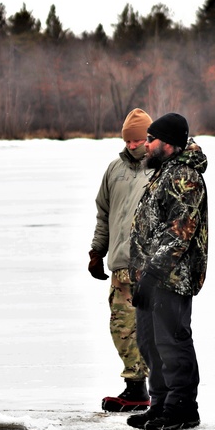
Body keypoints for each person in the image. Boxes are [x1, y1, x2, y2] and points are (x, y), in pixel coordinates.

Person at [126, 112, 208, 430]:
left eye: (151, 139)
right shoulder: (163, 173)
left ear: (169, 144)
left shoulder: (184, 177)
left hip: (172, 278)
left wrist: (153, 273)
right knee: (150, 343)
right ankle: (160, 401)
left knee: (172, 342)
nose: (145, 145)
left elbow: (179, 231)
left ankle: (183, 406)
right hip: (151, 277)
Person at [89, 108, 153, 413]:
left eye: (138, 140)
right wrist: (96, 251)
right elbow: (104, 214)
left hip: (150, 266)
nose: (132, 146)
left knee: (153, 330)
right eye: (128, 141)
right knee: (121, 327)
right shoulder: (114, 170)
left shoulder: (160, 169)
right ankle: (136, 388)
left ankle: (160, 390)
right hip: (120, 265)